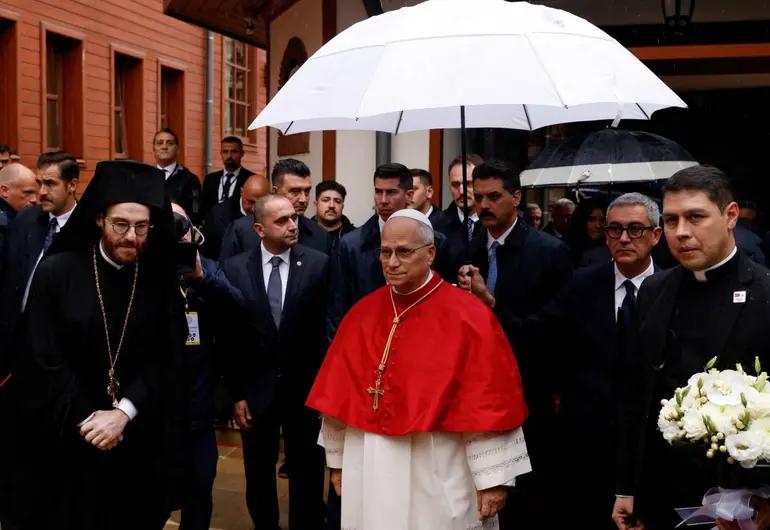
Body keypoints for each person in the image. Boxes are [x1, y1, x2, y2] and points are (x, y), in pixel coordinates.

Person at [308, 209, 531, 530]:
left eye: (404, 252)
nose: (392, 262)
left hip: (438, 462)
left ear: (430, 253)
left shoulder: (468, 316)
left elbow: (490, 402)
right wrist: (339, 462)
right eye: (385, 252)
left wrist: (493, 479)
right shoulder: (361, 314)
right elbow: (337, 400)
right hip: (369, 460)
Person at [8, 160, 186, 530]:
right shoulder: (57, 272)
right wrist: (93, 421)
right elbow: (43, 359)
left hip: (136, 438)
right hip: (67, 437)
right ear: (99, 219)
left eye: (142, 227)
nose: (132, 237)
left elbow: (167, 355)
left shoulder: (158, 279)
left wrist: (122, 413)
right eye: (121, 224)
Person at [613, 166, 770, 530]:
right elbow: (634, 395)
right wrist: (625, 487)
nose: (681, 232)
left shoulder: (764, 293)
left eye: (695, 217)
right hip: (660, 492)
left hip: (742, 503)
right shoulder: (655, 291)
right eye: (671, 220)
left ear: (730, 216)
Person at [195, 194, 328, 530]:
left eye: (293, 218)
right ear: (259, 228)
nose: (292, 225)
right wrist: (236, 394)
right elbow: (226, 337)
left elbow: (326, 332)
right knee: (258, 473)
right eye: (281, 220)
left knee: (308, 472)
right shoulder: (234, 268)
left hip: (306, 392)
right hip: (255, 391)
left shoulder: (318, 263)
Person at [458, 159, 573, 530]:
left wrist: (490, 304)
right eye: (478, 198)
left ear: (517, 198)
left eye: (494, 197)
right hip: (475, 389)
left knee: (529, 494)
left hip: (529, 386)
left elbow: (554, 326)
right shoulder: (465, 248)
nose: (484, 206)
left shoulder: (549, 251)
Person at [541, 192, 662, 529]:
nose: (624, 238)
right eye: (614, 229)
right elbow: (547, 340)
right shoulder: (582, 283)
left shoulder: (672, 289)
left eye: (635, 229)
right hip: (586, 443)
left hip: (648, 446)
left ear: (656, 235)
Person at [328, 163, 452, 336]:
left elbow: (443, 300)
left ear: (409, 195)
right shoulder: (351, 246)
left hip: (422, 336)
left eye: (392, 192)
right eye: (378, 192)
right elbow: (338, 309)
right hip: (366, 339)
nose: (383, 200)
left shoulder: (435, 241)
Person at [0, 152, 79, 379]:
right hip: (13, 341)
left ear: (72, 185)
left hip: (57, 351)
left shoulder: (87, 230)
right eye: (39, 183)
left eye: (50, 184)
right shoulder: (26, 220)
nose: (41, 192)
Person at [219, 158, 328, 259]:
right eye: (295, 191)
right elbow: (227, 275)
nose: (303, 199)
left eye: (307, 191)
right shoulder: (240, 231)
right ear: (275, 192)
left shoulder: (319, 235)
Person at [201, 174, 269, 260]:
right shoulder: (218, 214)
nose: (254, 208)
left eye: (259, 203)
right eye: (250, 202)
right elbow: (208, 252)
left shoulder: (272, 215)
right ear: (242, 192)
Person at [153, 128, 202, 224]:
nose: (164, 146)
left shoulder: (190, 180)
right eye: (160, 143)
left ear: (177, 149)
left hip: (178, 234)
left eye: (169, 143)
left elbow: (195, 211)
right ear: (154, 149)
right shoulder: (146, 177)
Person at [200, 136, 256, 220]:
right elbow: (204, 207)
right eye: (225, 152)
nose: (229, 155)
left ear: (242, 153)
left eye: (234, 152)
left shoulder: (251, 179)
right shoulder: (210, 179)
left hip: (238, 228)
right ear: (221, 153)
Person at [434, 153, 483, 243]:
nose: (461, 191)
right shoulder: (435, 226)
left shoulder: (497, 223)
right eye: (455, 185)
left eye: (468, 184)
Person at [311, 180, 355, 254]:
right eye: (325, 200)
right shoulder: (302, 235)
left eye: (337, 201)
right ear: (316, 204)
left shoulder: (354, 237)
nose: (331, 205)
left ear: (342, 206)